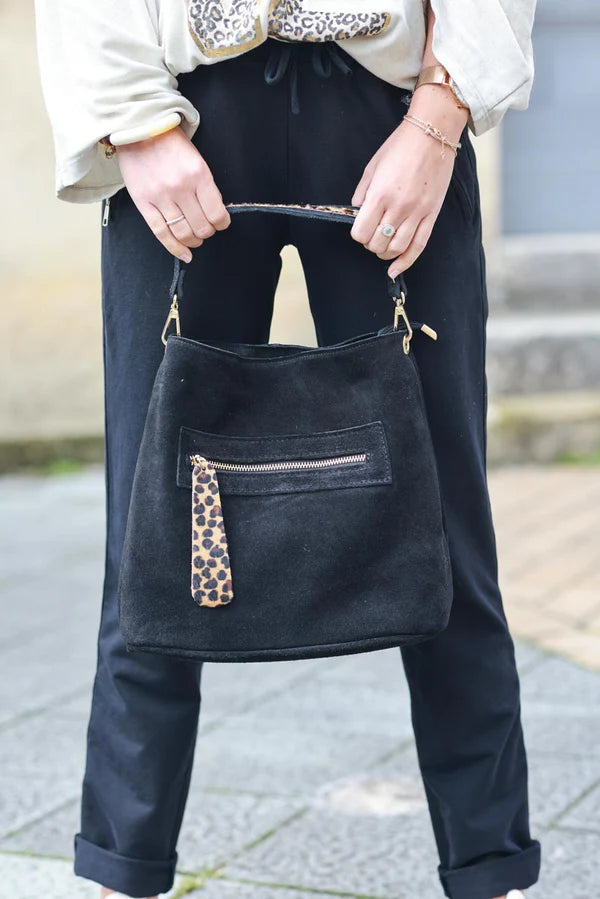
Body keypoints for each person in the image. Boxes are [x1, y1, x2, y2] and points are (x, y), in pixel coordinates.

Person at [33, 2, 540, 898]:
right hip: (185, 107)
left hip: (398, 104)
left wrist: (439, 119)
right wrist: (135, 120)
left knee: (449, 527)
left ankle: (490, 872)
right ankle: (120, 872)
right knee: (149, 531)